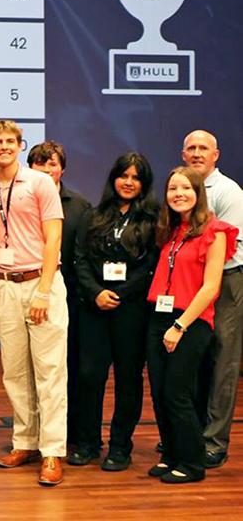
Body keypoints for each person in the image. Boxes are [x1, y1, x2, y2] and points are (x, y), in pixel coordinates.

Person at [0, 120, 67, 486]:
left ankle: (52, 452)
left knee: (49, 372)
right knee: (14, 372)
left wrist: (44, 290)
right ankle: (25, 442)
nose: (3, 147)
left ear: (19, 145)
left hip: (40, 282)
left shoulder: (40, 182)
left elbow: (54, 236)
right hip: (6, 285)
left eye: (10, 141)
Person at [146, 167, 238, 483]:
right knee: (159, 392)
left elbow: (211, 287)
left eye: (185, 188)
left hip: (191, 322)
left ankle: (192, 463)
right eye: (172, 189)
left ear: (198, 193)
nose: (178, 194)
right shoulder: (171, 230)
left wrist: (180, 326)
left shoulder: (216, 231)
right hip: (159, 317)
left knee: (177, 393)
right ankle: (171, 454)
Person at [71, 153, 159, 470]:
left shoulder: (153, 220)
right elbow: (79, 259)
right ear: (113, 178)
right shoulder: (93, 215)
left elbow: (150, 267)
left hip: (131, 311)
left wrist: (118, 294)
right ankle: (87, 443)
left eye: (136, 178)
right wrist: (96, 293)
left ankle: (120, 447)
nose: (129, 182)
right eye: (124, 176)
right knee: (88, 377)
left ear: (144, 184)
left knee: (128, 380)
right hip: (94, 308)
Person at [181, 130, 243, 469]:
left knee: (222, 362)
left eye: (203, 148)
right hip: (192, 283)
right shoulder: (182, 187)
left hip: (226, 282)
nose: (196, 153)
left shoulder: (228, 191)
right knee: (193, 360)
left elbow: (226, 249)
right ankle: (189, 434)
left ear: (216, 155)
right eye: (191, 148)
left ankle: (214, 442)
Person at [28, 141, 91, 446]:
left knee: (68, 371)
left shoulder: (80, 206)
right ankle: (35, 437)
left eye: (52, 164)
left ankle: (70, 437)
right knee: (32, 372)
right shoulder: (22, 201)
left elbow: (83, 257)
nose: (46, 169)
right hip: (32, 292)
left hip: (71, 300)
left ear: (62, 168)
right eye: (40, 164)